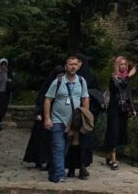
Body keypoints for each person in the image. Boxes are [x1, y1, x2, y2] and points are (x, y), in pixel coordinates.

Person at [44, 55, 89, 183]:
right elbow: (48, 99)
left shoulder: (81, 81)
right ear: (66, 66)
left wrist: (85, 116)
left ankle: (53, 172)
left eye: (75, 64)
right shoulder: (58, 82)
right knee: (58, 147)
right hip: (57, 120)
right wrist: (47, 118)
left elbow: (85, 98)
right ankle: (59, 175)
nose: (73, 66)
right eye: (70, 64)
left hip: (73, 123)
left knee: (64, 149)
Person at [65, 56, 102, 180]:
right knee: (71, 143)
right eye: (76, 62)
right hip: (70, 114)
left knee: (83, 143)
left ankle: (82, 167)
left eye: (80, 62)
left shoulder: (88, 77)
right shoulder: (71, 77)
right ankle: (70, 168)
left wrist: (86, 114)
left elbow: (94, 94)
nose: (77, 64)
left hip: (83, 116)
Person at [24, 66, 63, 171]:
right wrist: (39, 112)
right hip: (43, 116)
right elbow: (42, 98)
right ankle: (39, 160)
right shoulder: (50, 83)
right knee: (40, 139)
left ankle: (46, 160)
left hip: (54, 115)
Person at [104, 56, 137, 169]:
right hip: (114, 108)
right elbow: (119, 86)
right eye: (121, 64)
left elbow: (128, 93)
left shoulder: (125, 79)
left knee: (120, 132)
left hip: (123, 108)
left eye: (125, 64)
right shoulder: (114, 78)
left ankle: (109, 154)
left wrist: (132, 108)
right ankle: (113, 159)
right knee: (113, 130)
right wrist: (128, 76)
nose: (123, 66)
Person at [0, 58, 14, 130]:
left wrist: (9, 81)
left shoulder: (9, 73)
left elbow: (12, 83)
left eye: (5, 65)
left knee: (3, 110)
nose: (4, 66)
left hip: (5, 94)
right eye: (2, 65)